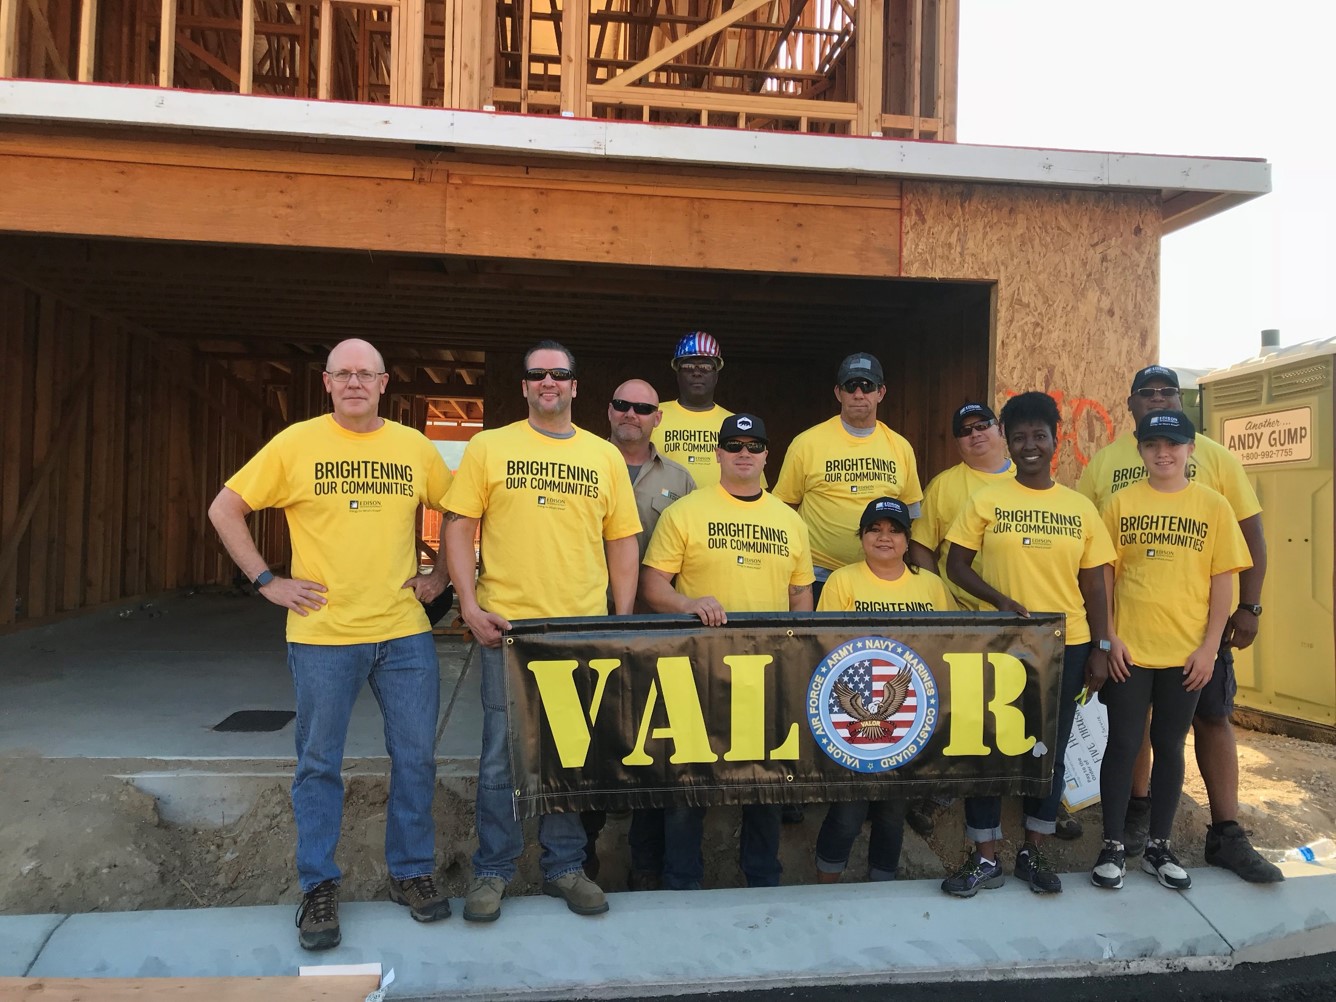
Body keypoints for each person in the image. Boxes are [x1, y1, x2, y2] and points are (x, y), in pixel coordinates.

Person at [207, 338, 453, 951]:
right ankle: (318, 886)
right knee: (319, 766)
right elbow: (224, 509)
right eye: (342, 374)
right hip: (322, 635)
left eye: (364, 374)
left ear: (384, 383)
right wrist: (267, 581)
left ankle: (411, 873)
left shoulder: (414, 447)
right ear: (325, 383)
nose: (353, 383)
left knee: (416, 758)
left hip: (402, 631)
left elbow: (458, 512)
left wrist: (441, 577)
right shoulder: (295, 443)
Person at [443, 340, 642, 922]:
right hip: (508, 629)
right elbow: (460, 526)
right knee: (502, 758)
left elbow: (622, 541)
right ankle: (494, 871)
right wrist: (468, 603)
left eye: (559, 374)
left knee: (569, 755)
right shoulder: (489, 446)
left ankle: (564, 867)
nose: (548, 382)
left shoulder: (603, 456)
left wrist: (619, 621)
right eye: (537, 374)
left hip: (578, 630)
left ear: (575, 386)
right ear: (525, 386)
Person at [1077, 365, 1280, 883]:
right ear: (1139, 449)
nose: (1162, 453)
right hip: (1130, 649)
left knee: (1172, 744)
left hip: (1188, 652)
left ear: (1192, 448)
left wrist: (1213, 645)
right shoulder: (1120, 500)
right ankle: (1114, 846)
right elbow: (1104, 575)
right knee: (1124, 743)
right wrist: (1109, 637)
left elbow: (1222, 580)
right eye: (1152, 446)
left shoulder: (1212, 503)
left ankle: (1161, 848)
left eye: (1173, 445)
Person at [942, 391, 1114, 896]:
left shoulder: (1079, 507)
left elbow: (1096, 584)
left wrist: (1101, 647)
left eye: (1039, 435)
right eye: (1019, 437)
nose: (1030, 445)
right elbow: (955, 565)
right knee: (989, 749)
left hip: (1069, 643)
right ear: (1008, 444)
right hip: (1001, 642)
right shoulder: (987, 500)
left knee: (1050, 754)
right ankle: (986, 858)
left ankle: (1033, 854)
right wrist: (998, 601)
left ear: (1055, 442)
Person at [641, 413, 815, 889]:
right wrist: (688, 602)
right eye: (734, 444)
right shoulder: (686, 512)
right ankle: (682, 883)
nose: (744, 452)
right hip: (697, 670)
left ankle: (762, 879)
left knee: (766, 782)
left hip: (769, 672)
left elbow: (801, 596)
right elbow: (653, 584)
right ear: (717, 453)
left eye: (754, 445)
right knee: (690, 781)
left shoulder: (788, 519)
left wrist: (798, 656)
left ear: (766, 455)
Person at [580, 378, 696, 889]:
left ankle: (645, 864)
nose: (631, 413)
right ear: (608, 410)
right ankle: (579, 860)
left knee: (654, 748)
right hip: (583, 621)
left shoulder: (681, 479)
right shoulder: (580, 462)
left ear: (658, 417)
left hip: (655, 629)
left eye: (642, 407)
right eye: (622, 404)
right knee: (583, 746)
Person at [813, 496, 954, 884]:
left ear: (909, 541)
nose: (884, 537)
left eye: (895, 530)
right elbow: (823, 648)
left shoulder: (931, 586)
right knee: (848, 811)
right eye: (875, 529)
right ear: (861, 537)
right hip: (851, 727)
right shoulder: (842, 580)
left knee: (893, 811)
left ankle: (883, 890)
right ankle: (825, 891)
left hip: (911, 719)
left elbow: (948, 649)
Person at [774, 352, 923, 604]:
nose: (858, 393)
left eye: (867, 385)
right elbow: (782, 511)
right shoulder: (806, 443)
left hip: (881, 576)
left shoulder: (900, 447)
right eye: (850, 385)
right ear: (838, 393)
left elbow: (911, 517)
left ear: (881, 393)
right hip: (818, 575)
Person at [649, 331, 737, 488]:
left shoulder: (734, 423)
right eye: (688, 366)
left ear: (716, 375)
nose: (697, 372)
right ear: (678, 373)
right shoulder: (652, 414)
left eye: (705, 366)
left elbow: (751, 482)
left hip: (720, 510)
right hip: (663, 509)